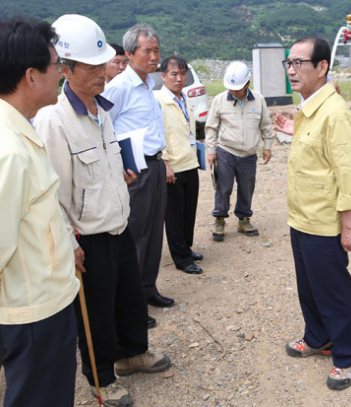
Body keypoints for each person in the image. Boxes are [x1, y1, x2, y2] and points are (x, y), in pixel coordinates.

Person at [34, 14, 171, 407]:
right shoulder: (53, 121)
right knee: (95, 312)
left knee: (128, 297)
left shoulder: (103, 111)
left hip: (117, 224)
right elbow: (51, 191)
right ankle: (101, 377)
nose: (102, 73)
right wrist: (66, 242)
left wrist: (120, 178)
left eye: (104, 64)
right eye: (91, 67)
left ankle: (132, 353)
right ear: (66, 68)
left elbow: (104, 167)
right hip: (87, 237)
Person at [0, 17, 80, 407]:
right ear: (31, 76)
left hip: (41, 301)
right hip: (31, 314)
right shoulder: (8, 149)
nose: (61, 73)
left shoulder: (13, 128)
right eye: (57, 65)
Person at [283, 37, 351, 390]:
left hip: (324, 223)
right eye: (289, 62)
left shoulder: (335, 113)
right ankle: (318, 338)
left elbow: (350, 175)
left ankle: (348, 355)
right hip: (301, 217)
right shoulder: (308, 107)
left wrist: (349, 227)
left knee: (333, 289)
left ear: (322, 67)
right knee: (309, 286)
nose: (291, 69)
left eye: (299, 62)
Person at [102, 24, 175, 322]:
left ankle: (148, 288)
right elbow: (102, 126)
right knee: (137, 235)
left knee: (155, 231)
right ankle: (132, 302)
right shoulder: (119, 87)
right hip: (135, 167)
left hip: (155, 164)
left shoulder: (148, 86)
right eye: (148, 51)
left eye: (157, 50)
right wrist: (117, 165)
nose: (154, 56)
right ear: (130, 53)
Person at [205, 61, 274, 241]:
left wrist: (267, 147)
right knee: (224, 187)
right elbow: (211, 127)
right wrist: (211, 151)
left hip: (249, 155)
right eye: (231, 88)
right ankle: (219, 219)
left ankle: (243, 220)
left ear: (247, 84)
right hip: (226, 151)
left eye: (237, 88)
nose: (233, 91)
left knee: (246, 188)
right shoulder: (219, 100)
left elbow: (266, 125)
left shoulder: (258, 100)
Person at [155, 56, 203, 275]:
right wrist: (164, 162)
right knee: (174, 215)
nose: (179, 78)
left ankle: (186, 247)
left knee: (188, 211)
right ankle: (181, 258)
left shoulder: (185, 98)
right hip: (173, 165)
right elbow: (157, 134)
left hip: (189, 162)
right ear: (163, 76)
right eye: (174, 74)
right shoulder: (158, 100)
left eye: (183, 74)